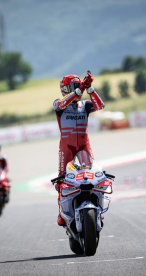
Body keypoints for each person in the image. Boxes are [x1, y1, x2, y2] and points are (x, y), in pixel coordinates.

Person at [53, 71, 105, 226]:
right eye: (75, 86)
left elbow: (100, 105)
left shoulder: (85, 105)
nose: (78, 89)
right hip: (66, 146)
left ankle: (98, 210)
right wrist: (79, 89)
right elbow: (62, 104)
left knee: (93, 176)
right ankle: (61, 214)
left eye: (79, 85)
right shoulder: (58, 104)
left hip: (83, 145)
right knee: (61, 181)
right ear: (66, 89)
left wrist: (90, 89)